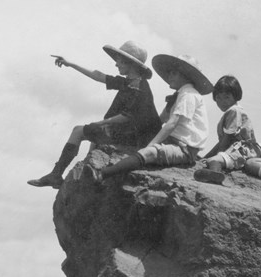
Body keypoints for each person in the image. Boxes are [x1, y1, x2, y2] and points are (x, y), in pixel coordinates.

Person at [27, 41, 161, 189]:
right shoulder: (128, 82)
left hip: (135, 137)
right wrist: (70, 64)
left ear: (132, 64)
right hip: (125, 132)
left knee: (80, 131)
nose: (116, 64)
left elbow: (128, 116)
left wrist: (101, 123)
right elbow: (97, 75)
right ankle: (58, 174)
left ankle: (57, 174)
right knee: (84, 132)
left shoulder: (139, 87)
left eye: (120, 61)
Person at [82, 54, 212, 184]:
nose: (169, 77)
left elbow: (172, 123)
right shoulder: (180, 94)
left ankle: (101, 174)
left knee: (150, 152)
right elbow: (161, 119)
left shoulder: (189, 94)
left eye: (173, 73)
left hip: (184, 148)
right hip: (173, 140)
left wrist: (151, 145)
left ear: (185, 76)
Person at [193, 75, 261, 185]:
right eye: (219, 98)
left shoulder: (234, 111)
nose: (222, 101)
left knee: (214, 160)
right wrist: (206, 157)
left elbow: (229, 137)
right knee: (210, 159)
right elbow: (222, 140)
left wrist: (218, 155)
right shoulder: (230, 112)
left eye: (227, 97)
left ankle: (215, 174)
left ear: (236, 96)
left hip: (243, 150)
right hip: (235, 149)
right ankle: (214, 171)